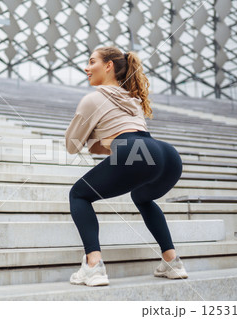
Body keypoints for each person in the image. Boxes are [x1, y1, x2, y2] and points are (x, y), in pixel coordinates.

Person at [65, 46, 188, 287]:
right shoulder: (132, 99)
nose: (86, 68)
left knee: (78, 195)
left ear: (108, 66)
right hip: (167, 155)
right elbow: (120, 140)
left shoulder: (94, 98)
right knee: (142, 197)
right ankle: (172, 262)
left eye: (92, 62)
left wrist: (92, 140)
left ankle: (93, 266)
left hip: (137, 151)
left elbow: (72, 145)